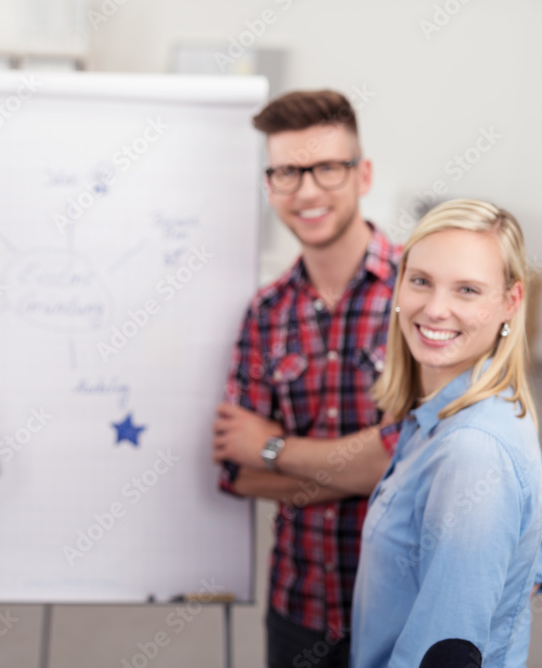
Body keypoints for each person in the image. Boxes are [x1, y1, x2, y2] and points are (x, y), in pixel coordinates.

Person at [210, 90, 400, 666]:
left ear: (362, 174)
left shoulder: (419, 294)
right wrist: (369, 468)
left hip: (406, 609)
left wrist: (274, 447)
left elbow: (410, 460)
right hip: (299, 612)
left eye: (327, 168)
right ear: (271, 186)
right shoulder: (266, 312)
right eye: (288, 172)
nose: (308, 191)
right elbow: (238, 472)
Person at [352, 199, 541, 668]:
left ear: (510, 302)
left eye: (468, 290)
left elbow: (446, 655)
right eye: (421, 281)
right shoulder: (438, 423)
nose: (435, 309)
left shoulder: (473, 450)